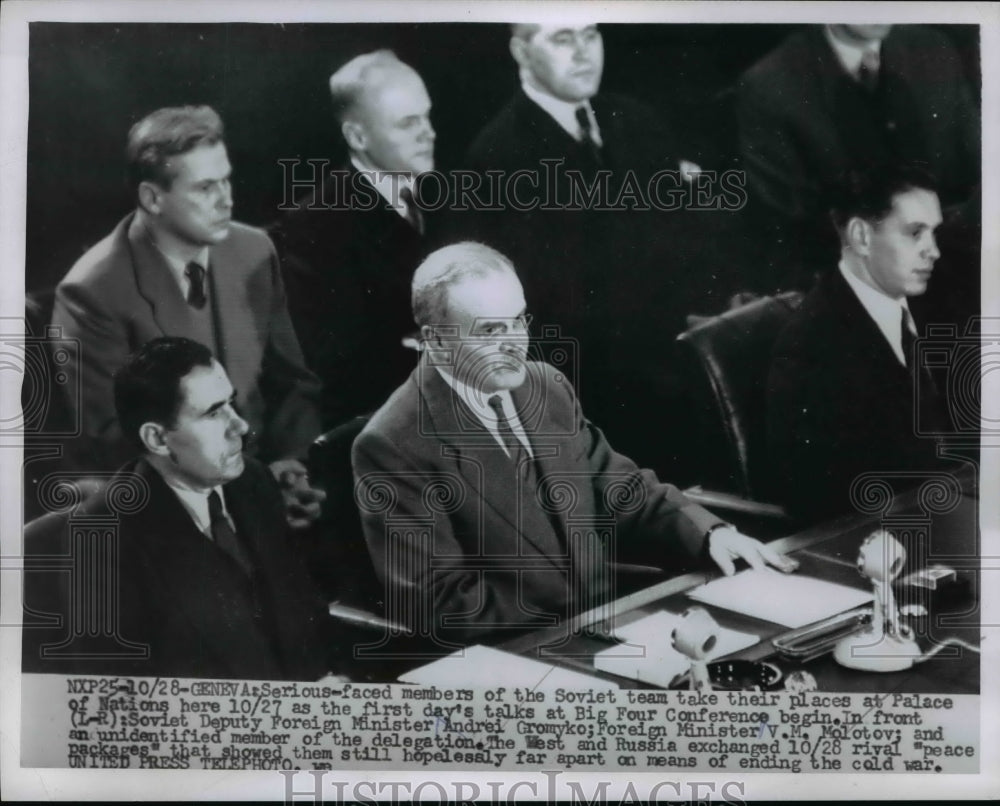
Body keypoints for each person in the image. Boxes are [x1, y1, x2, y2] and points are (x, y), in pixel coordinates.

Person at [353, 242, 796, 644]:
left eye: (518, 320)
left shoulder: (545, 385)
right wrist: (581, 612)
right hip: (524, 647)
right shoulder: (394, 443)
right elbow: (442, 604)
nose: (516, 346)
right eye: (490, 332)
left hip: (605, 620)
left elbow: (620, 489)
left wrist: (708, 532)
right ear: (436, 341)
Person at [457, 23, 736, 478]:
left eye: (590, 35)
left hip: (674, 380)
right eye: (562, 39)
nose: (583, 53)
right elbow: (540, 311)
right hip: (587, 401)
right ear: (521, 52)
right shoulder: (497, 157)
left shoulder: (638, 121)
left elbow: (685, 249)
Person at [51, 105, 324, 526]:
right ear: (152, 197)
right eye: (205, 187)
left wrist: (292, 463)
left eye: (227, 180)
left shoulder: (253, 251)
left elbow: (293, 382)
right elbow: (119, 442)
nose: (226, 199)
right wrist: (253, 489)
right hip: (171, 511)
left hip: (264, 487)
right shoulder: (93, 292)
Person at [22, 337, 334, 680]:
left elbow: (301, 613)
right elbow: (115, 701)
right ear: (156, 438)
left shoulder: (252, 481)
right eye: (214, 413)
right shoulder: (101, 540)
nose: (241, 427)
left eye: (231, 403)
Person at [766, 165, 960, 524]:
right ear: (861, 237)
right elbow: (822, 502)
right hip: (891, 538)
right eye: (915, 233)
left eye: (934, 233)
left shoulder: (933, 300)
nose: (933, 251)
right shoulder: (809, 347)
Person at [738, 24, 980, 292]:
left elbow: (983, 173)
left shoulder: (933, 50)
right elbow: (789, 236)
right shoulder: (770, 85)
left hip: (958, 273)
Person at [272, 51, 437, 429]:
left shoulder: (445, 197)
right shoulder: (316, 226)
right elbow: (340, 368)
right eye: (407, 123)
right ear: (357, 136)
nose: (429, 133)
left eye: (426, 116)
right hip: (388, 429)